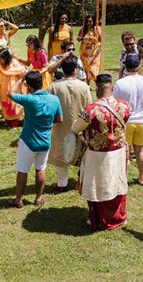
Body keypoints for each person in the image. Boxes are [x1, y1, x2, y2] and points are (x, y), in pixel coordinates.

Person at [71, 74, 131, 231]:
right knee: (117, 183)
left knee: (97, 186)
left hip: (97, 155)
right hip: (118, 151)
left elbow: (75, 128)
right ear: (111, 88)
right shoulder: (124, 105)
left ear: (97, 89)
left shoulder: (91, 110)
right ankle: (119, 216)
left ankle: (101, 220)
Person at [7, 71, 63, 208]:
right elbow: (60, 119)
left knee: (22, 170)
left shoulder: (29, 99)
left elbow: (10, 93)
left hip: (28, 141)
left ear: (29, 86)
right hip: (45, 142)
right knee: (41, 169)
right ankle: (38, 198)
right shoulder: (54, 99)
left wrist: (21, 79)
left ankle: (18, 200)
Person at [47, 56, 92, 192]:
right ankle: (82, 179)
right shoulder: (83, 86)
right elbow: (89, 107)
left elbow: (49, 108)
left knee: (60, 153)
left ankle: (62, 182)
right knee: (83, 153)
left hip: (60, 126)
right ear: (75, 70)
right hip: (80, 125)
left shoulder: (54, 86)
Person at [113, 54, 143, 186]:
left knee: (125, 152)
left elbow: (115, 104)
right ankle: (142, 177)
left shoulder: (120, 83)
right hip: (142, 121)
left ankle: (123, 179)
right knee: (141, 151)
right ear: (139, 65)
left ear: (126, 66)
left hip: (126, 122)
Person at [0, 48, 26, 129]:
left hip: (13, 88)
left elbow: (22, 70)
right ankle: (7, 121)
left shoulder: (13, 63)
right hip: (3, 88)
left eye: (0, 58)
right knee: (4, 105)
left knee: (14, 104)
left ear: (6, 58)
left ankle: (14, 123)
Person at [77, 14, 102, 83]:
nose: (88, 23)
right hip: (84, 53)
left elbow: (101, 40)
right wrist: (81, 38)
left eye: (90, 21)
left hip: (94, 54)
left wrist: (97, 47)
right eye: (87, 21)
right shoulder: (83, 29)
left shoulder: (97, 29)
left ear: (93, 21)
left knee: (93, 70)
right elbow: (78, 38)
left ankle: (97, 84)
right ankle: (87, 84)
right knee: (86, 70)